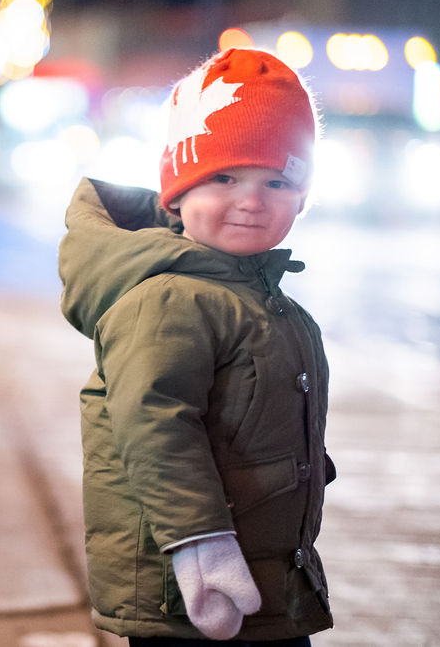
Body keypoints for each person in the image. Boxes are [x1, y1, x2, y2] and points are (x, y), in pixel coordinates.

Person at [57, 47, 336, 645]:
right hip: (185, 587)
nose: (252, 200)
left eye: (278, 181)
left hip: (261, 573)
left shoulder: (257, 296)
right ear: (177, 192)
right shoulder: (170, 298)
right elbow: (155, 426)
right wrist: (201, 548)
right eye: (225, 177)